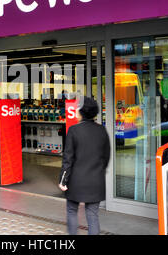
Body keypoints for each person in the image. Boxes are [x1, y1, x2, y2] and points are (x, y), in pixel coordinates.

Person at [58, 96, 110, 235]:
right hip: (96, 181)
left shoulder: (74, 130)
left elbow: (68, 159)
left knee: (71, 211)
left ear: (82, 112)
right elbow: (106, 157)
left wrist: (63, 180)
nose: (75, 111)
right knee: (92, 216)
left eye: (77, 109)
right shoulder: (102, 130)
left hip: (76, 181)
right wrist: (98, 171)